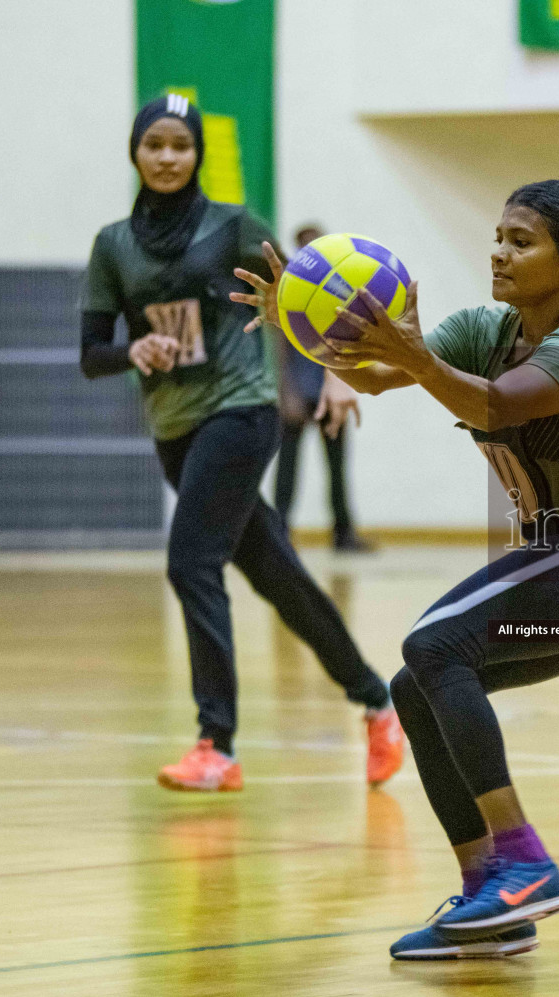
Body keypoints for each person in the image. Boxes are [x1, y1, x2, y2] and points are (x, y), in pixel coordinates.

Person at [237, 179, 559, 961]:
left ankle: (523, 862)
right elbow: (384, 371)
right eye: (498, 235)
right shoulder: (485, 327)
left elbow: (497, 405)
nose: (500, 251)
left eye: (523, 241)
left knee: (435, 643)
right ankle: (493, 898)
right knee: (418, 684)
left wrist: (412, 355)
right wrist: (305, 324)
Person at [80, 95, 403, 792]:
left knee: (191, 561)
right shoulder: (113, 245)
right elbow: (89, 354)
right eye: (154, 145)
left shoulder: (232, 227)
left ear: (197, 154)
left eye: (180, 145)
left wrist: (342, 375)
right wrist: (136, 349)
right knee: (278, 576)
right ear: (136, 152)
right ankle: (379, 702)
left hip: (241, 411)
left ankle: (216, 745)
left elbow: (313, 299)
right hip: (174, 429)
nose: (168, 157)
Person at [272, 224, 375, 553]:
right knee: (287, 470)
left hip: (330, 390)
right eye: (305, 244)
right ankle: (279, 534)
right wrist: (285, 393)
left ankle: (343, 534)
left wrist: (346, 383)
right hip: (297, 394)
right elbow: (278, 344)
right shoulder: (288, 288)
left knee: (337, 468)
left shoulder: (341, 287)